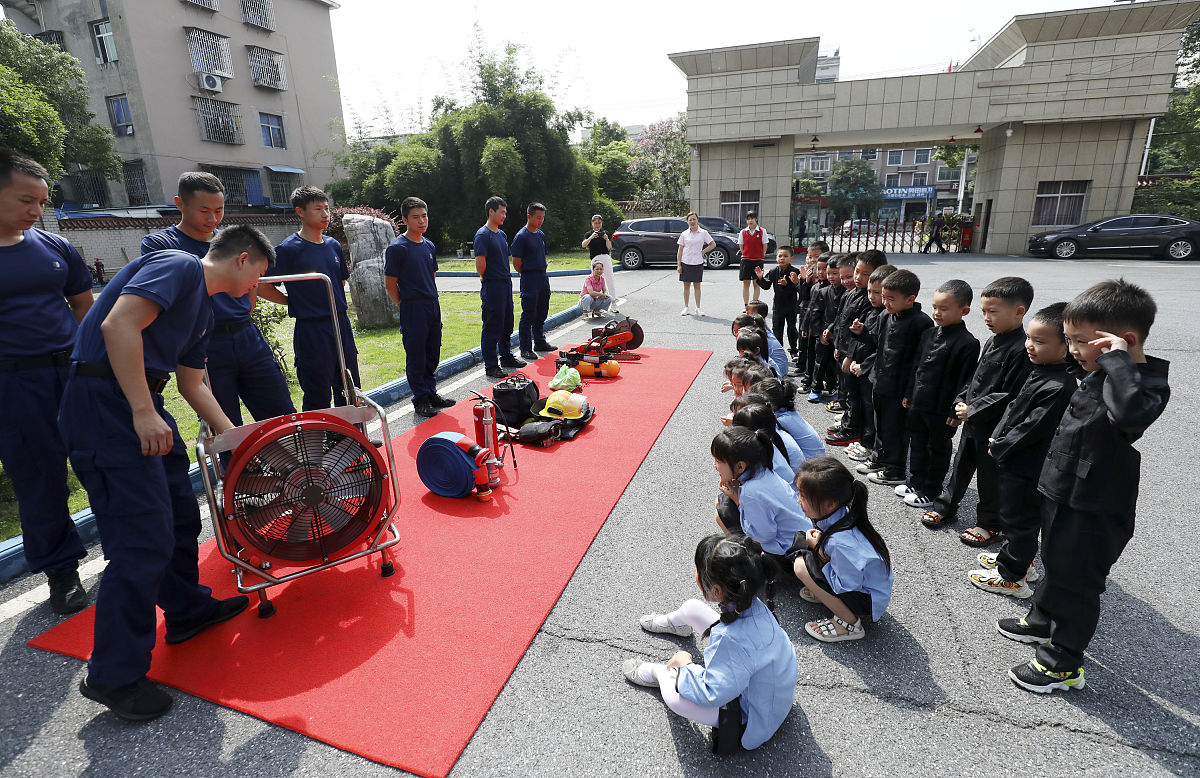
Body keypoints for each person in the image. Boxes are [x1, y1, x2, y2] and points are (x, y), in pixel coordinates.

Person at [63, 225, 274, 721]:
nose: (256, 288)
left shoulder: (202, 307)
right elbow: (118, 326)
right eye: (259, 276)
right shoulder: (180, 266)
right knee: (142, 540)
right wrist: (140, 410)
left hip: (143, 399)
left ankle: (186, 610)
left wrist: (238, 442)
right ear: (243, 259)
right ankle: (113, 676)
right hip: (107, 404)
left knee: (180, 511)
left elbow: (194, 385)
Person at [999, 279, 1169, 694]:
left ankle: (1063, 663)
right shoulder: (1095, 370)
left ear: (1121, 343)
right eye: (1070, 339)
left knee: (1077, 582)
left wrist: (1118, 361)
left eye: (1079, 341)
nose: (1072, 349)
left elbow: (1129, 417)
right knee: (1054, 560)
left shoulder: (1142, 385)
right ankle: (1040, 621)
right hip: (1061, 489)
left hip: (1094, 506)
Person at [0, 150, 94, 614]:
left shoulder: (54, 247)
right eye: (25, 199)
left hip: (73, 371)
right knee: (40, 476)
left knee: (104, 458)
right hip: (15, 382)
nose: (36, 211)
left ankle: (129, 548)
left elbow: (84, 306)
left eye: (42, 201)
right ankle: (62, 572)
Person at [142, 172, 294, 428]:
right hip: (203, 346)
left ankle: (296, 468)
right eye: (204, 210)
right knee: (224, 426)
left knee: (282, 415)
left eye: (219, 210)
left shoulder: (232, 241)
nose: (212, 219)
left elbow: (253, 281)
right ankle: (239, 468)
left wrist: (246, 309)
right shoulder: (161, 244)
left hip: (247, 337)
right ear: (180, 204)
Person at [624, 533, 798, 753]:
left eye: (700, 571)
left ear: (717, 590)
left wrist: (684, 666)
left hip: (754, 719)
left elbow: (711, 693)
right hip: (773, 695)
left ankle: (659, 673)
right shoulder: (753, 604)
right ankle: (675, 624)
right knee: (691, 608)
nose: (697, 575)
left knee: (677, 699)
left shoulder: (730, 639)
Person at [970, 303, 1076, 599]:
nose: (1029, 345)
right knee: (1015, 517)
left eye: (1040, 341)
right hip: (1014, 460)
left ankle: (1011, 577)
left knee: (1019, 521)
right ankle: (1020, 561)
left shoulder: (1058, 385)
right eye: (1029, 337)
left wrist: (1000, 445)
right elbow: (1015, 408)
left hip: (1027, 467)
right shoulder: (1042, 370)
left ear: (1066, 345)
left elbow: (1032, 427)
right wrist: (998, 436)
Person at [923, 277, 1034, 545]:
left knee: (988, 476)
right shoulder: (993, 341)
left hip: (994, 426)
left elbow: (1009, 393)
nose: (986, 317)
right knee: (960, 467)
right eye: (984, 311)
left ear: (1019, 311)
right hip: (973, 421)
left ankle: (989, 523)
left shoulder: (1021, 349)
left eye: (993, 311)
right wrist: (962, 400)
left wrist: (973, 409)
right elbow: (975, 378)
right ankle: (945, 507)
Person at [269, 186, 361, 410]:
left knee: (349, 384)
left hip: (340, 323)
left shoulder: (333, 245)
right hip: (312, 328)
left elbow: (340, 281)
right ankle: (318, 442)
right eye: (318, 209)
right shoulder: (288, 249)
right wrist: (293, 302)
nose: (325, 214)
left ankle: (351, 436)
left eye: (327, 209)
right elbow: (263, 286)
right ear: (300, 212)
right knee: (317, 388)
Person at [788, 457, 893, 643]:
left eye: (804, 497)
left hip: (865, 598)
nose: (798, 501)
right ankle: (827, 596)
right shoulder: (841, 515)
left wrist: (819, 552)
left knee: (801, 566)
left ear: (830, 503)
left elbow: (846, 585)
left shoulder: (840, 542)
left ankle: (849, 623)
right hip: (860, 584)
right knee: (803, 544)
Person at [897, 280, 979, 509]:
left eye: (944, 309)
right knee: (918, 443)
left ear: (964, 311)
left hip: (942, 409)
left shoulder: (968, 343)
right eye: (935, 307)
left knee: (937, 449)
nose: (936, 313)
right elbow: (917, 366)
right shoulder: (930, 334)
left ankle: (931, 489)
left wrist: (956, 407)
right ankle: (916, 481)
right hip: (919, 402)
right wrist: (908, 393)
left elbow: (966, 380)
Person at [384, 196, 454, 418]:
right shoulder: (397, 248)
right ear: (405, 219)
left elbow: (431, 275)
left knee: (433, 351)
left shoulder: (429, 245)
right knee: (416, 354)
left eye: (424, 216)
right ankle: (421, 399)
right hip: (413, 307)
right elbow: (390, 283)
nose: (421, 221)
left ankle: (431, 392)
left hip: (432, 304)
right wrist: (403, 304)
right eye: (416, 217)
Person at [866, 269, 934, 487]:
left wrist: (909, 392)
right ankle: (880, 458)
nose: (885, 302)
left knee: (896, 428)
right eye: (884, 297)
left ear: (910, 299)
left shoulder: (921, 323)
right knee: (880, 423)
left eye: (891, 299)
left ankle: (895, 469)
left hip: (900, 386)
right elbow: (879, 345)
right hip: (881, 380)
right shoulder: (885, 315)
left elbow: (919, 361)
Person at [710, 426, 809, 556]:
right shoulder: (762, 470)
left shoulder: (751, 491)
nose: (714, 465)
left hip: (788, 551)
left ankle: (749, 561)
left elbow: (764, 536)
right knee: (723, 501)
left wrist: (738, 501)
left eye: (717, 461)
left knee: (722, 511)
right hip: (801, 536)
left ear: (740, 466)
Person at [827, 250, 888, 446]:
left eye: (865, 274)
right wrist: (838, 345)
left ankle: (854, 430)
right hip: (846, 350)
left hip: (860, 358)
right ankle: (849, 422)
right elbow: (842, 321)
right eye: (857, 272)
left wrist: (850, 357)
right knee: (848, 391)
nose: (859, 278)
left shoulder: (874, 302)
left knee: (860, 398)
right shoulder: (851, 293)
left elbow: (864, 335)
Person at [847, 265, 898, 469]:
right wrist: (860, 333)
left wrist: (864, 365)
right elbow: (872, 339)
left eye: (878, 293)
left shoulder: (890, 316)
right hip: (864, 369)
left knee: (873, 412)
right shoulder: (875, 311)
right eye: (871, 291)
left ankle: (870, 446)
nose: (874, 297)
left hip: (876, 372)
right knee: (864, 406)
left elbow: (884, 349)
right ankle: (865, 441)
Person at [475, 196, 525, 379]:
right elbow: (480, 265)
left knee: (507, 323)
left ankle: (506, 356)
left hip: (505, 284)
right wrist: (489, 279)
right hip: (493, 285)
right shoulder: (483, 235)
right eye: (501, 212)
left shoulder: (501, 234)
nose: (504, 215)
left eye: (505, 212)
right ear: (491, 211)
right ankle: (491, 365)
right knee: (492, 326)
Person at [512, 202, 555, 361]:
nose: (541, 220)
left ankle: (539, 341)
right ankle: (525, 348)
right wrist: (528, 273)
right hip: (529, 277)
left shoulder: (540, 235)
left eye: (543, 217)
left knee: (542, 310)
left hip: (542, 276)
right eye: (538, 217)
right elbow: (517, 263)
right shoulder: (521, 236)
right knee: (529, 313)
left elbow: (542, 255)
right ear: (529, 216)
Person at [749, 378, 826, 462]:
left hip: (810, 467)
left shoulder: (781, 421)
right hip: (816, 461)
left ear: (767, 403)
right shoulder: (788, 413)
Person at [753, 246, 801, 358]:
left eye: (785, 256)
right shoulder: (774, 271)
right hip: (778, 306)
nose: (782, 258)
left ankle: (794, 350)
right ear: (776, 258)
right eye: (780, 256)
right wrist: (760, 278)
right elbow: (766, 286)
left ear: (791, 258)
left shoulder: (795, 271)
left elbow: (799, 288)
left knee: (791, 329)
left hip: (792, 305)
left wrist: (789, 284)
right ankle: (779, 351)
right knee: (777, 329)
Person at [799, 254, 830, 391]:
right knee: (810, 356)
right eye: (819, 269)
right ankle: (808, 380)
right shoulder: (815, 287)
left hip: (823, 330)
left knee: (821, 359)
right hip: (812, 328)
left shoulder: (831, 289)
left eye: (825, 270)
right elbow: (809, 308)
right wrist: (805, 327)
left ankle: (818, 385)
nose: (821, 272)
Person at [676, 212, 714, 316]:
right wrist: (679, 264)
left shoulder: (703, 233)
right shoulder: (684, 234)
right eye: (690, 220)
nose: (692, 221)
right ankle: (686, 307)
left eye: (694, 219)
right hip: (686, 262)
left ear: (697, 220)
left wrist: (703, 251)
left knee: (697, 285)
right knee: (686, 286)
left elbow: (712, 244)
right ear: (687, 222)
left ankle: (698, 308)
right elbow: (680, 250)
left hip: (698, 262)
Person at [581, 214, 618, 314]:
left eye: (599, 223)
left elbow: (609, 247)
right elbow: (583, 245)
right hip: (595, 259)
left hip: (605, 257)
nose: (597, 225)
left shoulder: (605, 233)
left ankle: (613, 303)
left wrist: (606, 239)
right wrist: (591, 237)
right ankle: (596, 306)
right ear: (592, 223)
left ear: (602, 223)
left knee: (610, 279)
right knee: (595, 281)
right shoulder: (589, 233)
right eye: (595, 223)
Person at [742, 304, 789, 379]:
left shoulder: (757, 337)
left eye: (749, 313)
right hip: (781, 369)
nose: (746, 315)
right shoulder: (764, 328)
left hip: (777, 372)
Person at [738, 210, 770, 306]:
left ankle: (754, 305)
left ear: (756, 219)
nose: (750, 221)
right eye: (748, 219)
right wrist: (746, 255)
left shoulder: (762, 231)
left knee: (756, 283)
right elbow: (741, 246)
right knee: (746, 283)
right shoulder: (743, 232)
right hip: (746, 261)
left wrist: (760, 256)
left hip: (758, 261)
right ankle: (746, 305)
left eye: (752, 218)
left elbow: (765, 245)